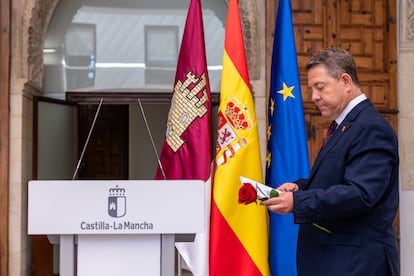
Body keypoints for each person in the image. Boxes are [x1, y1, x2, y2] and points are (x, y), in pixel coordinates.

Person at [261, 47, 399, 276]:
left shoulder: (370, 127)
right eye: (311, 89)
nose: (313, 96)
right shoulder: (346, 125)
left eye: (320, 87)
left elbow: (360, 193)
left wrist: (298, 201)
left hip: (356, 265)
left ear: (345, 81)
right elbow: (340, 179)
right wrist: (301, 187)